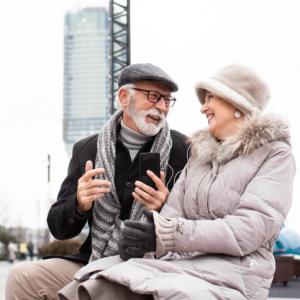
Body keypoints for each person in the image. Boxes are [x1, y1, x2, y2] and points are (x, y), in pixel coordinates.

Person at [58, 64, 295, 300]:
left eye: (210, 98)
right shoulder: (200, 157)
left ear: (236, 105)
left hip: (232, 275)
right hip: (181, 266)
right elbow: (172, 219)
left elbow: (249, 228)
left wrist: (164, 231)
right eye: (153, 97)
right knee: (94, 284)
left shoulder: (275, 155)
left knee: (121, 288)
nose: (203, 107)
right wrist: (144, 243)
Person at [5, 63, 189, 299]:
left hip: (155, 265)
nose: (162, 107)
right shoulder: (87, 149)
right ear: (124, 97)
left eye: (167, 100)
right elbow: (58, 227)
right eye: (154, 97)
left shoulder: (184, 151)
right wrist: (79, 203)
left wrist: (164, 208)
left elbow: (197, 224)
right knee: (22, 276)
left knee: (104, 288)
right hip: (95, 259)